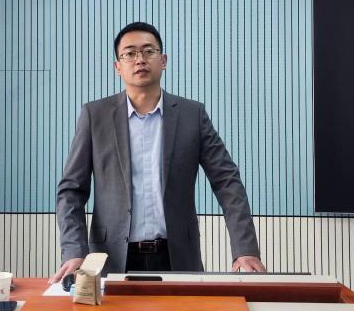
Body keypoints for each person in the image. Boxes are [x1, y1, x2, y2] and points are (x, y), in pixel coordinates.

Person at [49, 22, 264, 283]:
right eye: (130, 53)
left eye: (148, 51)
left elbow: (227, 181)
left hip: (177, 259)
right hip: (111, 259)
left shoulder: (191, 115)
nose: (140, 59)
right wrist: (74, 251)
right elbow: (71, 190)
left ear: (163, 61)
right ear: (118, 66)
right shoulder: (95, 116)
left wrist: (245, 249)